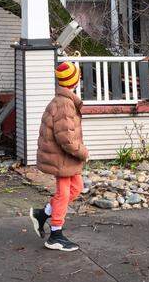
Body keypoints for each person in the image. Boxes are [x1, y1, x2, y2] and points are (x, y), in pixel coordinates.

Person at [28, 60, 89, 252]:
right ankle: (55, 235)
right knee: (63, 194)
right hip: (61, 158)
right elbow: (67, 139)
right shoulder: (64, 104)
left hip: (65, 159)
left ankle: (43, 213)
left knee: (77, 188)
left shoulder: (65, 101)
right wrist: (83, 152)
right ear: (74, 81)